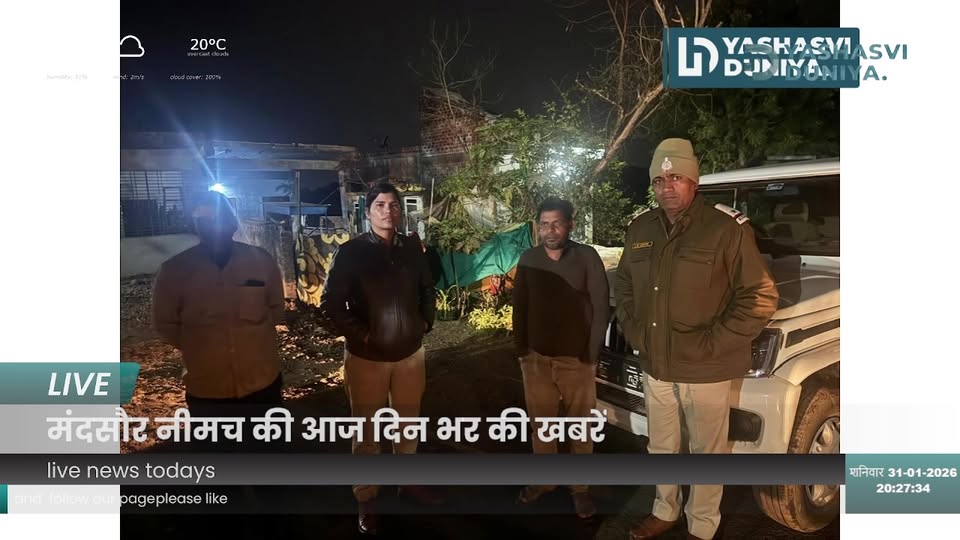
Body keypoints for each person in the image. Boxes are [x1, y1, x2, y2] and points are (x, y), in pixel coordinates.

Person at [616, 139, 779, 540]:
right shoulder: (641, 228)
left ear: (694, 180)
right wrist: (636, 332)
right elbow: (625, 287)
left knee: (708, 451)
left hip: (705, 369)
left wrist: (712, 345)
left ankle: (702, 527)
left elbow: (760, 297)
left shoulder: (726, 229)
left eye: (676, 177)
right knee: (661, 446)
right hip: (657, 364)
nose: (666, 187)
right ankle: (665, 511)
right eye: (659, 180)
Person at [320, 182, 441, 536]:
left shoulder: (412, 249)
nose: (388, 211)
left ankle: (407, 483)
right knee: (366, 431)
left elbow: (427, 289)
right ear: (368, 211)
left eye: (394, 205)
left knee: (408, 425)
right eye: (380, 205)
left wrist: (426, 321)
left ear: (400, 211)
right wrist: (364, 336)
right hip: (367, 357)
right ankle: (367, 496)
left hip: (409, 355)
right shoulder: (351, 252)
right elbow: (331, 304)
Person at [152, 189, 286, 452]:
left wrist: (251, 340)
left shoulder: (261, 261)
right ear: (196, 226)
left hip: (262, 383)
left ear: (233, 223)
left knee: (269, 454)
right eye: (205, 220)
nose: (214, 226)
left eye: (219, 219)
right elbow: (165, 324)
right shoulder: (175, 271)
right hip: (207, 389)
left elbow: (275, 309)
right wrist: (203, 347)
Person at [511, 197, 610, 519]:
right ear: (537, 227)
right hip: (536, 361)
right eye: (544, 224)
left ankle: (580, 488)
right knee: (542, 426)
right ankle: (546, 480)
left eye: (556, 223)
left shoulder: (586, 257)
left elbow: (601, 307)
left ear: (570, 225)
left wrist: (591, 355)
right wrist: (522, 350)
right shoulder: (529, 259)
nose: (550, 230)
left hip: (576, 361)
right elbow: (520, 307)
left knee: (580, 427)